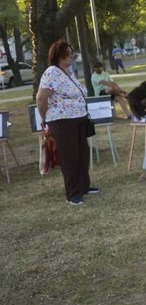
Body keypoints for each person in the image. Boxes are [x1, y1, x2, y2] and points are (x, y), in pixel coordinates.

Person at [35, 40, 99, 205]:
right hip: (62, 121)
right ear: (58, 55)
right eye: (67, 54)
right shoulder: (51, 73)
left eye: (72, 53)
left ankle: (84, 185)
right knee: (70, 156)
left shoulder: (69, 72)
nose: (71, 56)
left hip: (79, 119)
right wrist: (44, 117)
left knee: (82, 153)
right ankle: (72, 193)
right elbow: (41, 98)